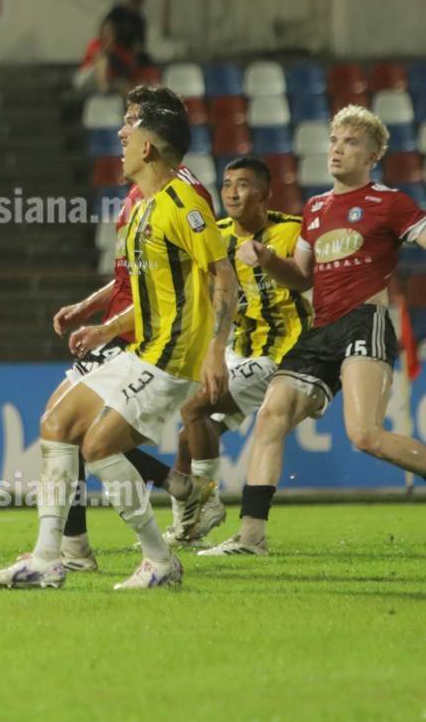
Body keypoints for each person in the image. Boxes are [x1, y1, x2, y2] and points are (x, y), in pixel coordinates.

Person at [0, 103, 238, 590]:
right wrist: (106, 329)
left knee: (99, 448)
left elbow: (222, 277)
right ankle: (47, 557)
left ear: (149, 148)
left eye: (129, 136)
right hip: (140, 349)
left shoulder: (185, 204)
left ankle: (160, 561)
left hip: (171, 355)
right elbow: (151, 296)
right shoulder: (142, 206)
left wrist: (215, 351)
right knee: (56, 425)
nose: (120, 143)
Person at [202, 106, 426, 557]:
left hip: (365, 320)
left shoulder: (391, 203)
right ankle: (251, 537)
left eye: (351, 142)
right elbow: (302, 277)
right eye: (334, 140)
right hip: (320, 328)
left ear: (373, 155)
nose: (337, 150)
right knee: (271, 415)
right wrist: (268, 259)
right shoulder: (316, 208)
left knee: (365, 435)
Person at [47, 85, 219, 571]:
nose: (122, 131)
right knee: (69, 429)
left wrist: (213, 347)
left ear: (154, 135)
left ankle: (82, 549)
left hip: (149, 334)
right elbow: (130, 272)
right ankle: (176, 490)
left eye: (132, 121)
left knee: (81, 435)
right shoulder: (138, 194)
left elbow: (206, 275)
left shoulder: (181, 192)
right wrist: (90, 307)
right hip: (126, 325)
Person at [158, 157, 310, 545]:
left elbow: (308, 281)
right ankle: (187, 528)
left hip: (280, 355)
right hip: (237, 352)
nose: (232, 192)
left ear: (265, 193)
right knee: (188, 438)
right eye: (227, 184)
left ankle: (206, 504)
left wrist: (269, 259)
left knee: (193, 408)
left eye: (242, 184)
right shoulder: (216, 235)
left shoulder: (292, 231)